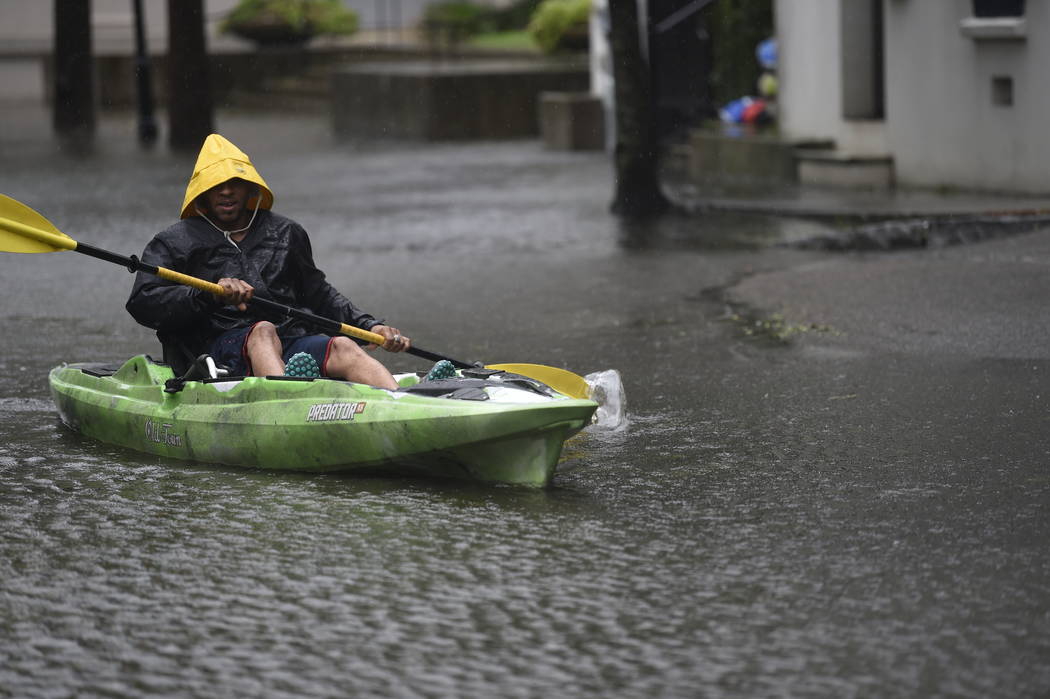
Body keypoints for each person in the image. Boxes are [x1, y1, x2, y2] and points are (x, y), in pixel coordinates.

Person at [126, 133, 410, 389]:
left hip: (290, 340)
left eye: (235, 183)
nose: (226, 191)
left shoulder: (287, 232)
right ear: (203, 191)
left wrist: (370, 327)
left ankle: (403, 407)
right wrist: (208, 294)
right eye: (216, 184)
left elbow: (318, 292)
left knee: (344, 345)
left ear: (251, 189)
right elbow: (144, 301)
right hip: (215, 351)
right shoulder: (173, 241)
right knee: (263, 331)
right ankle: (288, 405)